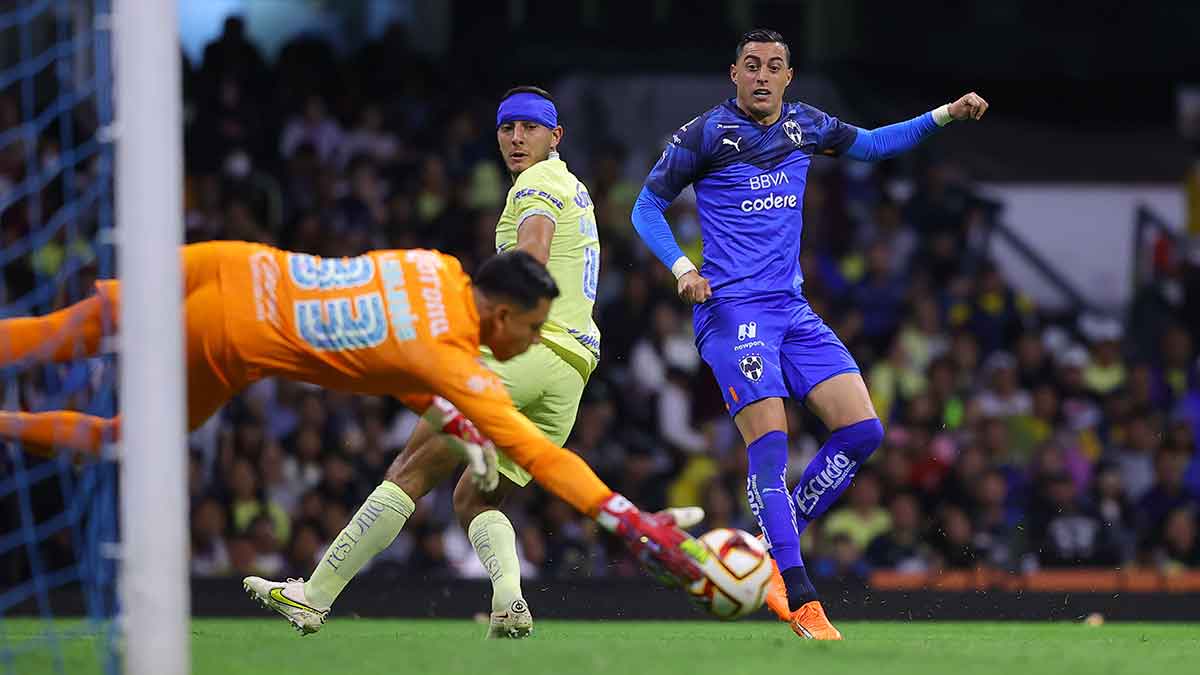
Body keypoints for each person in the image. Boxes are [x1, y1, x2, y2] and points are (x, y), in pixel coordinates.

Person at [0, 242, 703, 633]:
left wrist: (449, 415)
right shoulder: (452, 360)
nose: (531, 338)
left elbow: (379, 343)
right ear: (501, 311)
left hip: (232, 263)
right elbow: (540, 452)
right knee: (131, 436)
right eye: (532, 324)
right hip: (228, 335)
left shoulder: (436, 266)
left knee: (58, 333)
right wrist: (630, 517)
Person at [630, 28, 987, 640]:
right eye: (752, 66)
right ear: (734, 74)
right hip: (732, 311)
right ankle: (799, 595)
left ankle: (776, 535)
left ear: (788, 77)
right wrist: (683, 268)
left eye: (774, 67)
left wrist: (946, 114)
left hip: (791, 311)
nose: (763, 76)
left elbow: (873, 145)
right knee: (771, 446)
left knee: (864, 430)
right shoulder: (705, 134)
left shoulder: (805, 125)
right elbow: (645, 206)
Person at [321, 85, 605, 638]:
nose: (517, 138)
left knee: (410, 467)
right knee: (475, 496)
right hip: (571, 372)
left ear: (556, 136)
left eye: (529, 128)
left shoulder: (537, 183)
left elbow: (533, 258)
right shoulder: (574, 187)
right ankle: (508, 603)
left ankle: (313, 594)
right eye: (507, 128)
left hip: (528, 355)